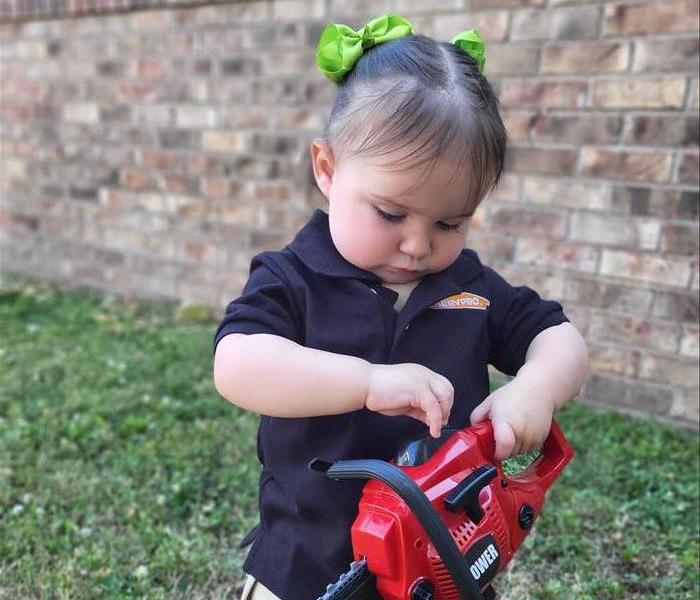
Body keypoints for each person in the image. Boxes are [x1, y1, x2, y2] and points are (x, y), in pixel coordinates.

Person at [213, 14, 589, 600]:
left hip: (444, 557)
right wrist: (363, 382)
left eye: (450, 222)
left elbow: (557, 336)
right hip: (311, 562)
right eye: (390, 214)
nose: (417, 245)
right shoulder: (293, 277)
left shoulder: (471, 285)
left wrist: (536, 388)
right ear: (327, 170)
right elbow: (236, 364)